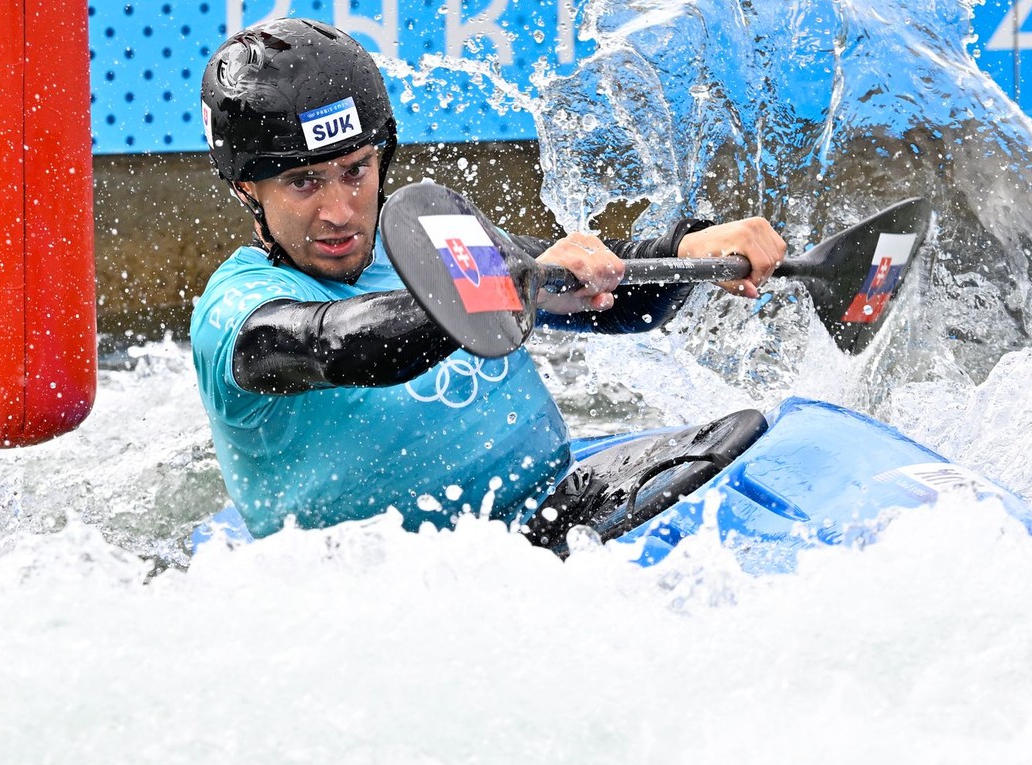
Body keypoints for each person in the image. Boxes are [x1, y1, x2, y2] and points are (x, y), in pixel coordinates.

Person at [191, 18, 785, 540]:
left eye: (355, 171)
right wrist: (502, 286)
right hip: (393, 585)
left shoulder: (427, 239)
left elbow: (619, 306)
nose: (340, 211)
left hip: (554, 513)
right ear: (249, 189)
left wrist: (687, 246)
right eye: (303, 183)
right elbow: (340, 344)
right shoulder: (238, 313)